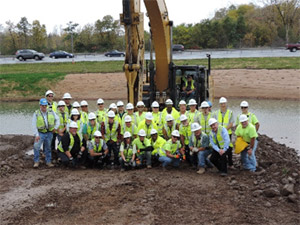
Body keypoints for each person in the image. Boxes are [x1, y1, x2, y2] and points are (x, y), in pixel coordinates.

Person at [32, 98, 59, 168]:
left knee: (48, 147)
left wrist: (55, 128)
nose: (44, 107)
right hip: (40, 133)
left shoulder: (51, 111)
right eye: (42, 105)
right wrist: (36, 134)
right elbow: (33, 125)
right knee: (36, 146)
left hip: (49, 132)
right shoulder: (36, 113)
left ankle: (48, 161)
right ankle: (36, 161)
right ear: (40, 105)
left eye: (45, 105)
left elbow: (57, 119)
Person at [213, 97, 234, 169]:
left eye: (224, 103)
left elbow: (231, 123)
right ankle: (222, 161)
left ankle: (230, 163)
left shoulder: (230, 113)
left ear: (226, 104)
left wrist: (224, 130)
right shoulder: (216, 113)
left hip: (228, 133)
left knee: (229, 148)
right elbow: (214, 123)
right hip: (218, 134)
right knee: (220, 146)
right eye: (221, 104)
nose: (223, 105)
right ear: (219, 104)